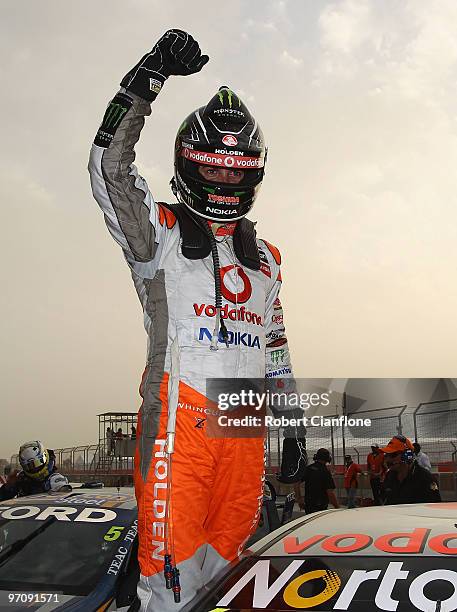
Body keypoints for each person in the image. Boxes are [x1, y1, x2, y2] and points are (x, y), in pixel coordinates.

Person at [89, 29, 296, 610]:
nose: (227, 177)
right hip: (178, 426)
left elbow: (274, 340)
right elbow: (108, 166)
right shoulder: (157, 232)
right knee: (170, 580)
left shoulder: (268, 258)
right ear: (189, 164)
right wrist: (146, 78)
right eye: (216, 166)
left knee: (232, 575)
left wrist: (293, 416)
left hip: (244, 426)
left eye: (238, 170)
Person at [0, 441, 71, 501]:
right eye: (29, 466)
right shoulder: (21, 478)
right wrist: (8, 487)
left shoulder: (55, 479)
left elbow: (64, 502)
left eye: (36, 463)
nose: (34, 468)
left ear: (44, 458)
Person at [381, 435, 441, 505]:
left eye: (393, 455)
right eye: (386, 455)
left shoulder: (426, 478)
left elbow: (434, 507)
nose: (388, 459)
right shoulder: (389, 476)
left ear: (407, 455)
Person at [303, 448, 339, 514]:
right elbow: (330, 493)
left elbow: (297, 482)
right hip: (320, 506)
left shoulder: (308, 468)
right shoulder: (325, 471)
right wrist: (337, 507)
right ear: (327, 458)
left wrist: (299, 498)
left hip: (309, 505)